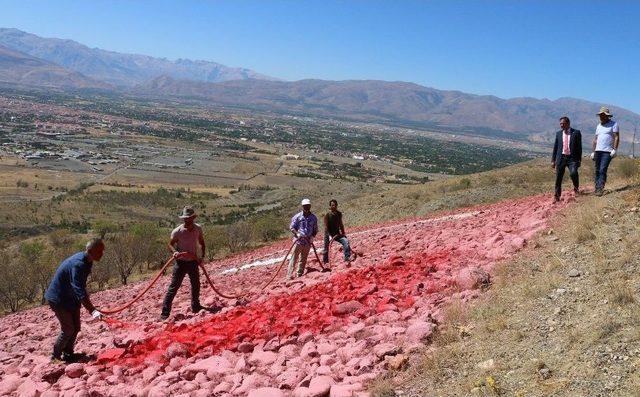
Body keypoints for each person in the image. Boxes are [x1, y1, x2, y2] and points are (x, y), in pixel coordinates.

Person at [45, 238, 105, 363]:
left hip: (70, 298)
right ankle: (55, 357)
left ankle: (68, 354)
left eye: (102, 251)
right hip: (59, 299)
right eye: (99, 251)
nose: (101, 254)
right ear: (90, 250)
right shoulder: (78, 264)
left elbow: (80, 287)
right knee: (68, 329)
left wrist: (88, 305)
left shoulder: (87, 261)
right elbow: (78, 289)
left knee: (76, 327)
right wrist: (92, 310)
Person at [161, 206, 205, 320]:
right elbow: (170, 244)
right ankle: (165, 313)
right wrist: (175, 252)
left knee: (196, 284)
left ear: (193, 218)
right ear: (183, 219)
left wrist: (201, 258)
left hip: (193, 261)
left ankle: (196, 306)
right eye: (186, 218)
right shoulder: (177, 231)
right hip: (180, 263)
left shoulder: (198, 229)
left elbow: (202, 243)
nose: (188, 220)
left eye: (189, 218)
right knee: (174, 287)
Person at [551, 116, 582, 202]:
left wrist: (579, 160)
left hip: (572, 159)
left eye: (563, 123)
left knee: (573, 173)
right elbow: (555, 147)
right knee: (558, 177)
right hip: (561, 158)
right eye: (560, 124)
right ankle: (557, 196)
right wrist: (553, 160)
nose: (561, 125)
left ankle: (576, 189)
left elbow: (579, 147)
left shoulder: (576, 133)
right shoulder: (558, 133)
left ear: (568, 123)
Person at [591, 106, 620, 196]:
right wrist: (593, 151)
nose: (601, 117)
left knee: (602, 169)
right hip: (598, 151)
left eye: (603, 115)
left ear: (608, 116)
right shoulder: (599, 126)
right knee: (597, 170)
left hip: (607, 151)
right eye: (600, 115)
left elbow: (616, 137)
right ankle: (597, 187)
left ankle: (600, 188)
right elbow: (595, 139)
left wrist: (614, 149)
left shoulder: (614, 124)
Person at [288, 198, 318, 279]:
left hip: (308, 242)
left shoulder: (314, 218)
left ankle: (299, 275)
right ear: (302, 206)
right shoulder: (297, 217)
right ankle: (289, 276)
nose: (306, 207)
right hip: (298, 242)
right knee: (294, 259)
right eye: (305, 206)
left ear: (310, 206)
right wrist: (296, 233)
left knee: (303, 259)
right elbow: (292, 227)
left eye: (308, 206)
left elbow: (315, 230)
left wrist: (312, 237)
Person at [323, 199, 354, 265]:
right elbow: (326, 226)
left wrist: (343, 233)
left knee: (345, 242)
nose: (333, 206)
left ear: (337, 205)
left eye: (335, 205)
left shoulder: (339, 214)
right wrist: (329, 236)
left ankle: (347, 258)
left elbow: (341, 224)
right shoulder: (327, 215)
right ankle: (325, 262)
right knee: (326, 248)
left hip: (337, 234)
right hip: (328, 234)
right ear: (330, 206)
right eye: (332, 205)